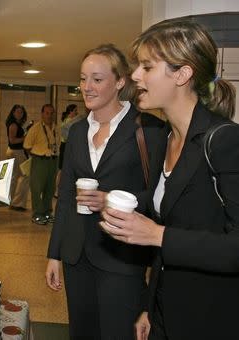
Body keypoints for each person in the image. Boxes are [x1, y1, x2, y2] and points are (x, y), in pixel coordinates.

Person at [100, 20, 238, 340]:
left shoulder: (224, 141)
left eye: (147, 66)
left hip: (209, 319)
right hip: (166, 311)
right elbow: (171, 204)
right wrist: (150, 306)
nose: (135, 75)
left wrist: (157, 234)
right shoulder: (166, 137)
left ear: (182, 74)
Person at [46, 44, 163, 339]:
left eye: (97, 79)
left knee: (118, 332)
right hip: (77, 254)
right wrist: (54, 255)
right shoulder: (75, 132)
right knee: (82, 331)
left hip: (122, 255)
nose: (87, 87)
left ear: (120, 81)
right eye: (83, 79)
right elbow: (65, 198)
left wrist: (110, 199)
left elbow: (161, 197)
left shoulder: (148, 129)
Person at [23, 104, 60, 225]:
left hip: (53, 161)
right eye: (47, 113)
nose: (49, 115)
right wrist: (37, 155)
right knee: (37, 189)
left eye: (51, 113)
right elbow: (27, 146)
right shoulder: (36, 128)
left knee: (50, 189)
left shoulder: (56, 128)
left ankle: (48, 212)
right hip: (40, 161)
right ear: (42, 114)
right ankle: (37, 214)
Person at [55, 104, 84, 197]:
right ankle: (57, 190)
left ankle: (61, 190)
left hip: (68, 146)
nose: (77, 112)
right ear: (70, 111)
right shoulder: (67, 122)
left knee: (65, 170)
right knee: (61, 170)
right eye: (75, 110)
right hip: (65, 146)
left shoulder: (70, 121)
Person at [5, 104, 29, 211]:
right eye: (18, 112)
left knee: (14, 177)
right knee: (25, 175)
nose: (20, 114)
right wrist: (25, 137)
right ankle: (17, 203)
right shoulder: (13, 125)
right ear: (13, 112)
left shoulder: (15, 124)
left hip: (14, 152)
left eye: (22, 112)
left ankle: (11, 201)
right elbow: (13, 140)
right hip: (16, 152)